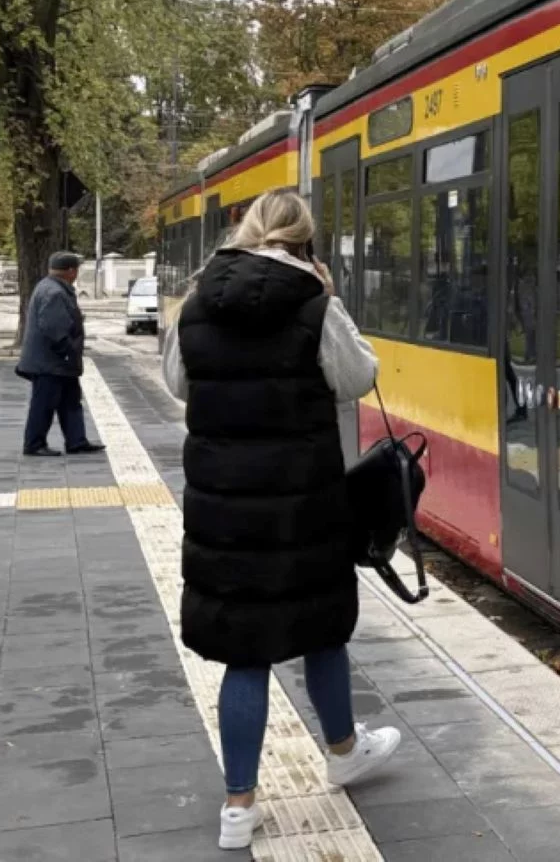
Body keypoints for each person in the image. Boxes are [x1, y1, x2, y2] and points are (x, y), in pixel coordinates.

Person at [160, 189, 400, 851]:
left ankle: (237, 808)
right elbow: (357, 378)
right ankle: (344, 750)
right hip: (303, 504)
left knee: (244, 653)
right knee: (321, 629)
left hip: (222, 507)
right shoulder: (314, 303)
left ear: (246, 231)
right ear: (303, 240)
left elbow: (178, 383)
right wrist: (332, 300)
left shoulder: (198, 301)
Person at [19, 252, 101, 457]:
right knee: (44, 404)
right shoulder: (54, 293)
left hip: (55, 361)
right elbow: (54, 328)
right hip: (51, 361)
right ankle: (34, 444)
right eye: (77, 270)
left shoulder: (49, 287)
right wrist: (68, 351)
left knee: (70, 401)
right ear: (71, 271)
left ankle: (76, 441)